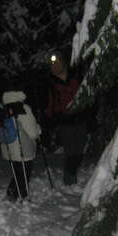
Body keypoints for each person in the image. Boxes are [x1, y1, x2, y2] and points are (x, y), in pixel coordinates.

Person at [44, 50, 88, 185]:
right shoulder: (50, 83)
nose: (55, 67)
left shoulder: (76, 77)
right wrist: (47, 121)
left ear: (63, 63)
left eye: (57, 64)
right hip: (64, 121)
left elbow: (86, 94)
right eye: (52, 65)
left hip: (80, 117)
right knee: (70, 151)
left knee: (79, 150)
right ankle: (69, 180)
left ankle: (72, 173)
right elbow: (48, 104)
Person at [0, 90, 42, 200]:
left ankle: (13, 193)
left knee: (17, 173)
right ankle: (20, 195)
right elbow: (32, 132)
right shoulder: (23, 108)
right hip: (23, 148)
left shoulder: (3, 108)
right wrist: (39, 129)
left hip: (9, 149)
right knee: (23, 174)